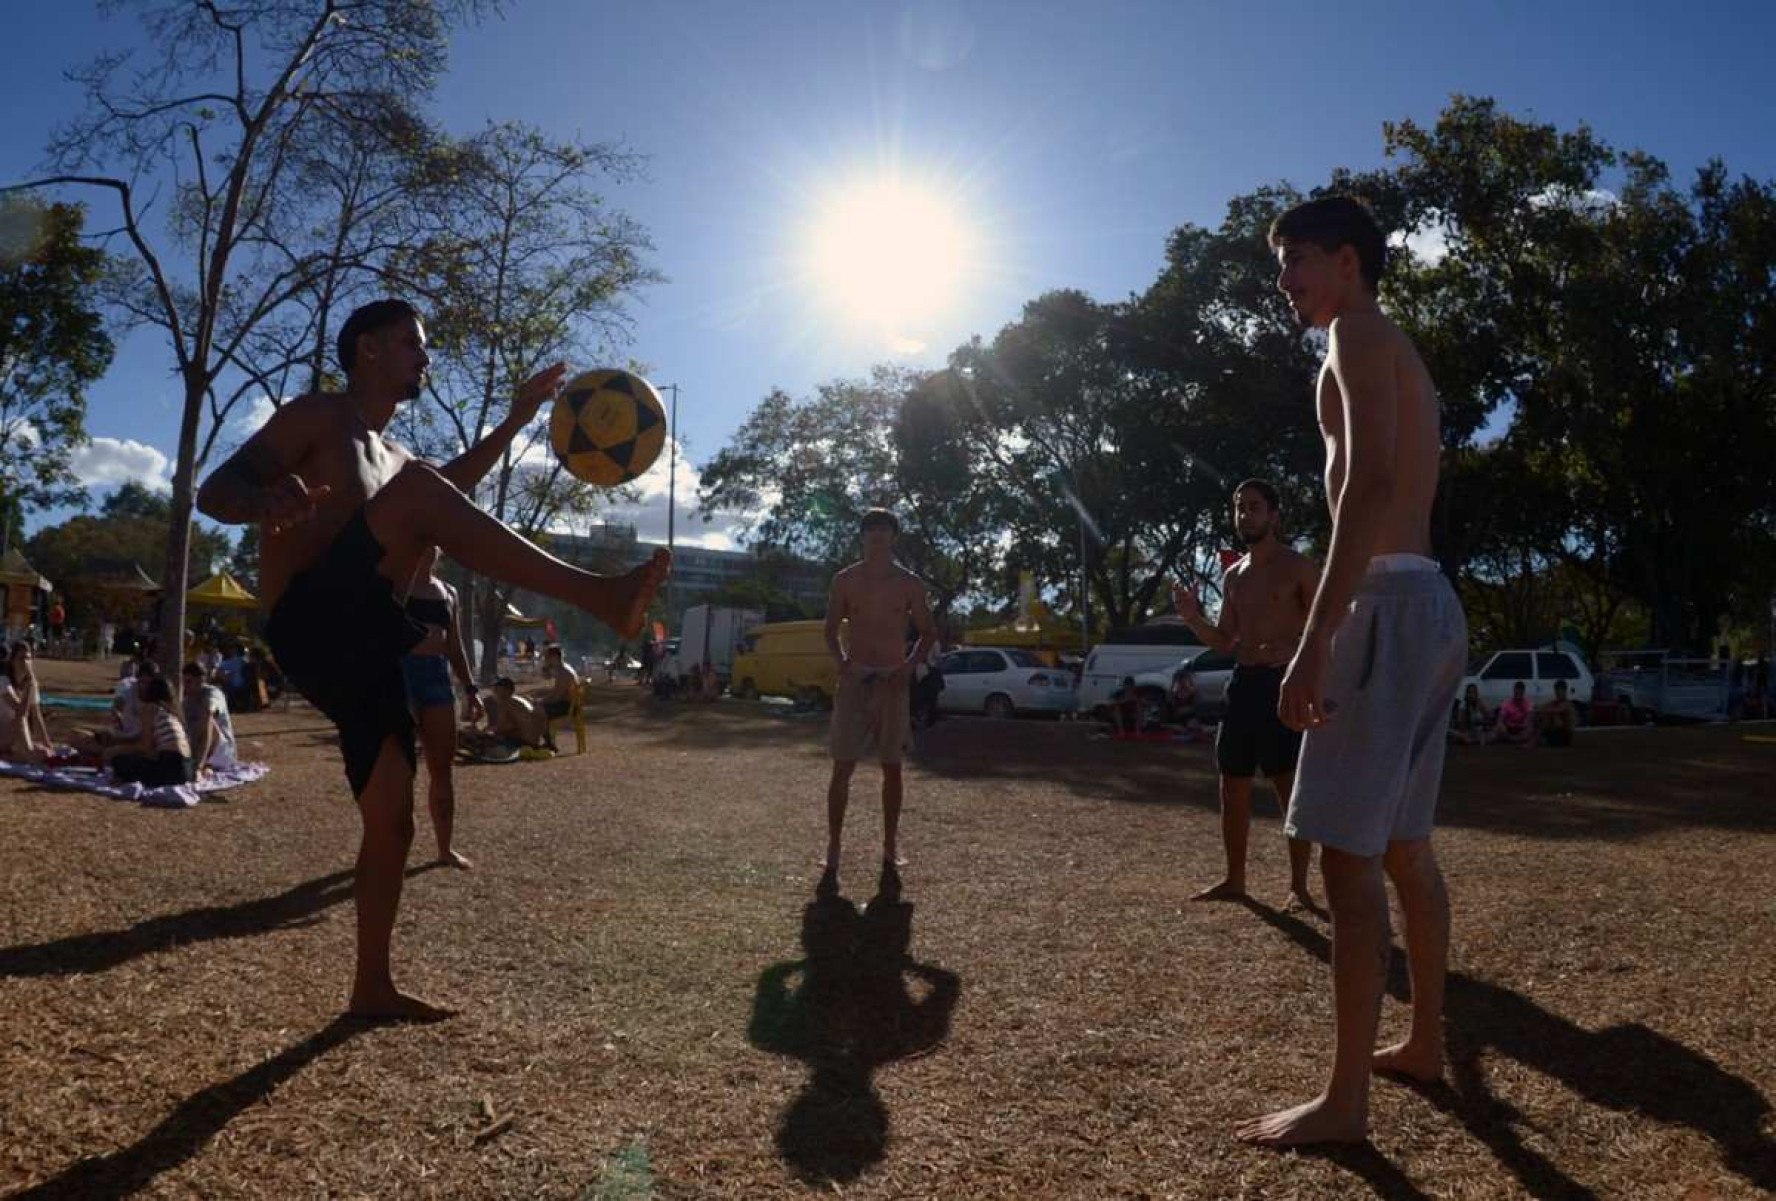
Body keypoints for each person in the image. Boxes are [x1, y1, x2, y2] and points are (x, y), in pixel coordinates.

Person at [195, 296, 668, 1022]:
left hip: (366, 635)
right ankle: (601, 597)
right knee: (421, 498)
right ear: (368, 350)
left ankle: (371, 989)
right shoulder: (319, 417)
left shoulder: (397, 460)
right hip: (310, 616)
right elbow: (214, 490)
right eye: (413, 344)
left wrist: (515, 419)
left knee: (392, 817)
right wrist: (266, 498)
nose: (426, 357)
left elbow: (450, 493)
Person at [1239, 196, 1468, 1147]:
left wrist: (1316, 634)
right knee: (1406, 842)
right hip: (1429, 602)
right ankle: (1422, 1043)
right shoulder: (1391, 346)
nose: (1285, 280)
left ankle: (1344, 1102)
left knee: (1348, 854)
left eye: (1296, 260)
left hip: (1385, 605)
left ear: (1345, 260)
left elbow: (1368, 488)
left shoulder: (1357, 337)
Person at [1172, 479, 1322, 910]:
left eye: (1253, 507)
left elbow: (1324, 627)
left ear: (1273, 515)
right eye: (1239, 508)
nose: (1244, 515)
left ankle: (1299, 886)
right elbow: (1224, 641)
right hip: (1244, 683)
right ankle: (1234, 881)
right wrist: (1191, 617)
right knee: (1231, 785)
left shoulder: (1298, 567)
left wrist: (1308, 672)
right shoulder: (1233, 575)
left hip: (1284, 683)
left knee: (1288, 787)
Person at [820, 509, 936, 900]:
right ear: (862, 536)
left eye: (884, 529)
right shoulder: (845, 579)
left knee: (892, 767)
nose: (877, 536)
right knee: (842, 766)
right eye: (871, 530)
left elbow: (927, 631)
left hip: (892, 680)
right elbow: (830, 629)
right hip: (855, 679)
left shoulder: (909, 583)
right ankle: (834, 847)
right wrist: (842, 663)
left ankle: (890, 846)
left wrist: (908, 667)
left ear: (893, 536)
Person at [400, 547, 482, 868]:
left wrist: (470, 688)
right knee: (401, 768)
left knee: (441, 767)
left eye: (432, 542)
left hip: (437, 675)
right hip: (400, 673)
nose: (426, 548)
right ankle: (393, 845)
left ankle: (444, 849)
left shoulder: (449, 592)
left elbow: (455, 645)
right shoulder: (397, 583)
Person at [105, 675, 193, 787]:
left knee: (120, 760)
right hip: (187, 769)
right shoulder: (172, 714)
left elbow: (145, 746)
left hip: (171, 768)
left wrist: (117, 750)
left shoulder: (150, 709)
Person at [181, 661, 240, 773]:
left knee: (207, 719)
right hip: (198, 746)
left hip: (222, 750)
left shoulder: (213, 693)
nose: (186, 686)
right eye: (184, 682)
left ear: (200, 681)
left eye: (189, 682)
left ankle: (200, 764)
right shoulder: (187, 701)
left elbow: (209, 712)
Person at [7, 641, 54, 753]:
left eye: (28, 658)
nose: (25, 662)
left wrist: (47, 743)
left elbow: (36, 716)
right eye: (21, 658)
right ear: (12, 661)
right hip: (5, 729)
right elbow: (21, 712)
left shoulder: (31, 683)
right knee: (21, 719)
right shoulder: (4, 681)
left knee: (44, 752)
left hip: (15, 731)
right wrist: (29, 685)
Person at [483, 677, 551, 750]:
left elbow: (501, 728)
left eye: (496, 690)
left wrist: (486, 732)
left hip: (524, 743)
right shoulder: (523, 699)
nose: (494, 693)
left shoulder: (505, 703)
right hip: (535, 741)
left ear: (506, 690)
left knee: (485, 739)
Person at [533, 643, 579, 725]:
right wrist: (546, 668)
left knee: (536, 712)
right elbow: (546, 677)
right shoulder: (562, 669)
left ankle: (546, 737)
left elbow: (555, 697)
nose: (545, 660)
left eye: (547, 657)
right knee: (536, 706)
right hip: (566, 703)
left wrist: (539, 701)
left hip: (566, 706)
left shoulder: (564, 673)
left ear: (554, 657)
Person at [1536, 679, 1578, 747]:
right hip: (1558, 733)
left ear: (1564, 691)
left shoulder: (1567, 704)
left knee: (1553, 716)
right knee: (1544, 715)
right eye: (1556, 690)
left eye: (1560, 690)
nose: (1557, 693)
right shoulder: (1556, 702)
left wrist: (1541, 710)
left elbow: (1557, 710)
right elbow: (1543, 706)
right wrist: (1537, 709)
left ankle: (1542, 739)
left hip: (1565, 735)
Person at [1495, 681, 1535, 747]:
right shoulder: (1506, 703)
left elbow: (1529, 717)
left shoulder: (1528, 703)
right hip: (1509, 728)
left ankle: (1513, 740)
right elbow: (1500, 718)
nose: (1518, 692)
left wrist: (1526, 726)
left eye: (1520, 690)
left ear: (1523, 692)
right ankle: (1513, 740)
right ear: (1514, 691)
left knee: (1530, 729)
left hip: (1522, 728)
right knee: (1498, 729)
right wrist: (1501, 725)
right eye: (1517, 690)